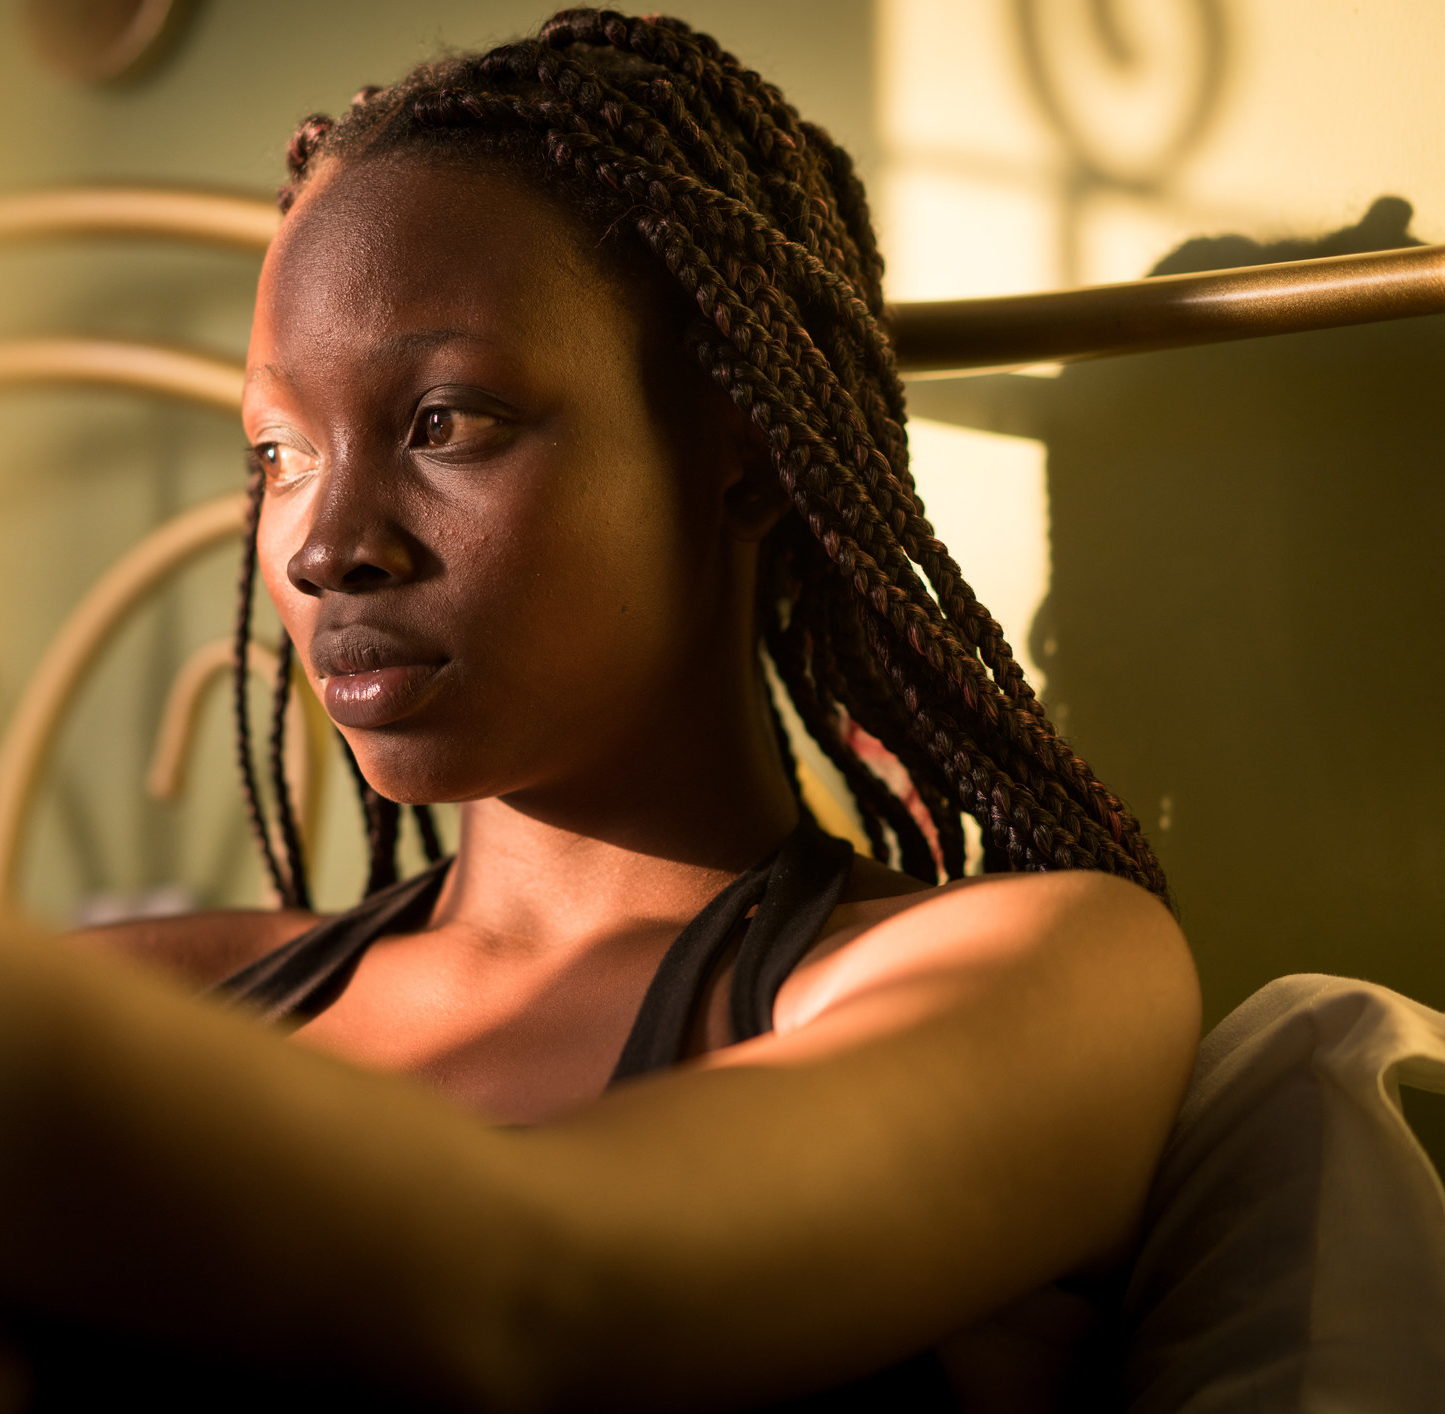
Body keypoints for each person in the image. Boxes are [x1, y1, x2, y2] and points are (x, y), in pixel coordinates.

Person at [68, 9, 1199, 1409]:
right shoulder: (167, 999)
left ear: (740, 453)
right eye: (280, 450)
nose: (324, 542)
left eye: (446, 420)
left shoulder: (1050, 974)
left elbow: (522, 1296)